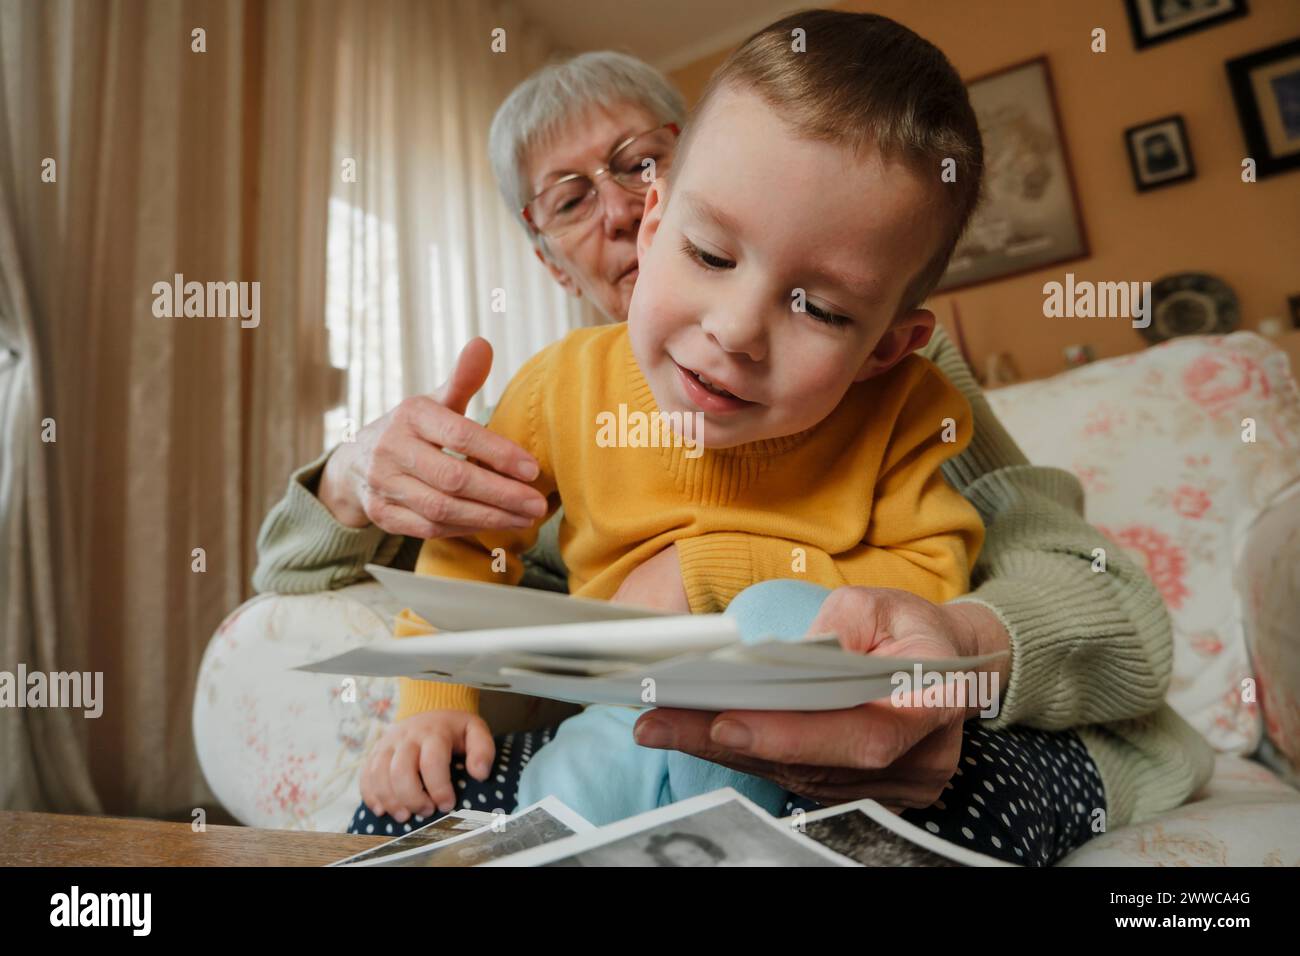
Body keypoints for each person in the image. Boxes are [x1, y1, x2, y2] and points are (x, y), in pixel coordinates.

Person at [252, 14, 1212, 865]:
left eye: (636, 162)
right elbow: (421, 567)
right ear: (545, 255)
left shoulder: (901, 393)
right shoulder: (545, 400)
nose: (621, 207)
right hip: (627, 731)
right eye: (571, 196)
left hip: (837, 717)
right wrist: (351, 486)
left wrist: (714, 574)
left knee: (910, 786)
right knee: (415, 821)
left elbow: (1057, 594)